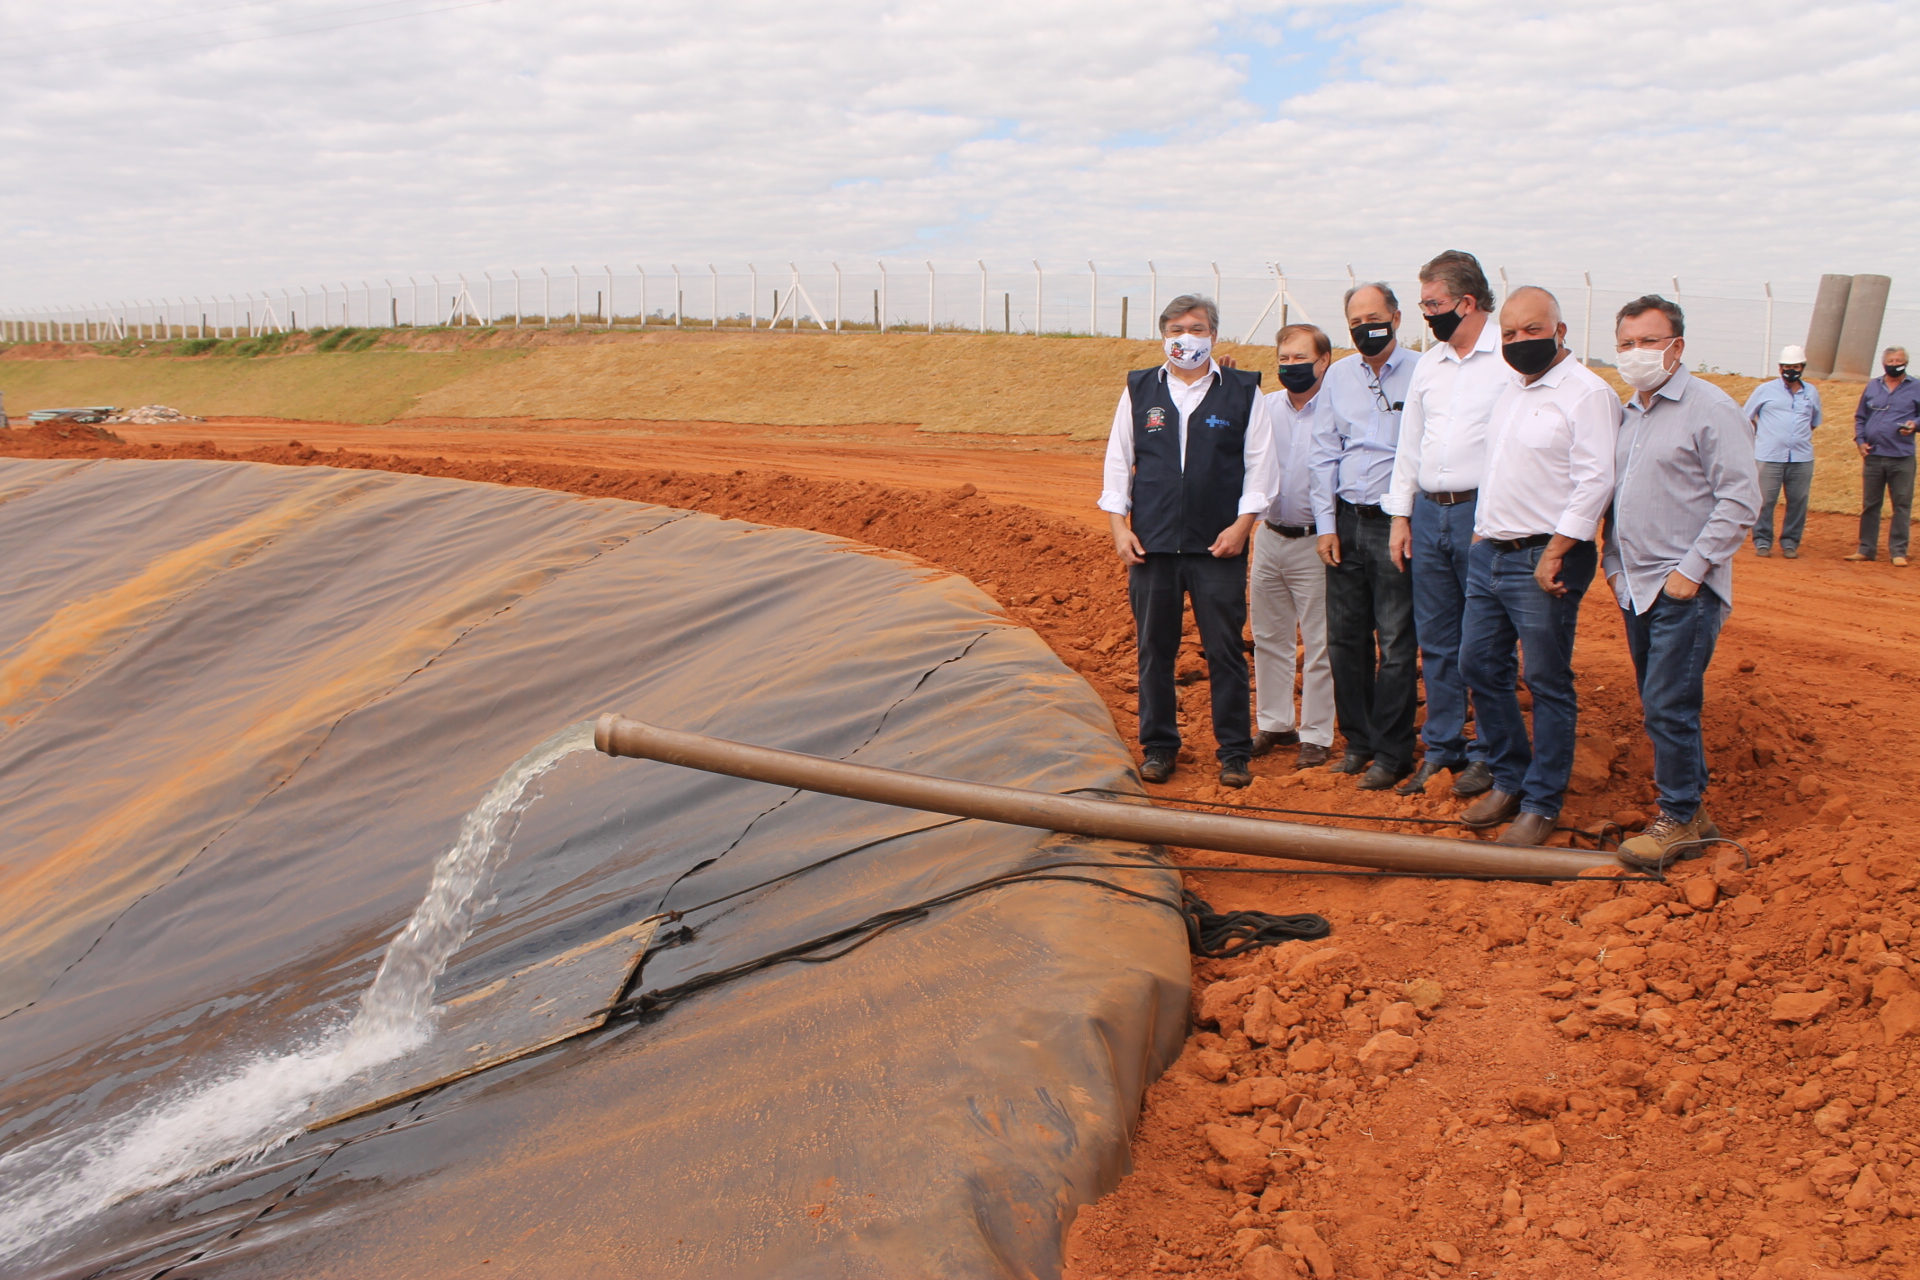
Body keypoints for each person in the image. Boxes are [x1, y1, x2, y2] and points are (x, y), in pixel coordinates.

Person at [1456, 287, 1619, 845]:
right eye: (1509, 333)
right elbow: (1502, 465)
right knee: (1478, 666)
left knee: (1546, 679)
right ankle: (1509, 777)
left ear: (1560, 330)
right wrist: (1483, 527)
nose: (1519, 341)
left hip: (1547, 557)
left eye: (1532, 330)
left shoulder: (1586, 394)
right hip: (1493, 553)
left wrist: (1555, 550)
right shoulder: (1512, 389)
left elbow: (1596, 479)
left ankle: (1542, 802)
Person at [1603, 295, 1760, 869]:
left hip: (1681, 588)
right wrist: (1614, 566)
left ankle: (1678, 817)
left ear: (1677, 346)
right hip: (1635, 585)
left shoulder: (1710, 408)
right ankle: (1691, 810)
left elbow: (1741, 499)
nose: (1636, 353)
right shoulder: (1628, 413)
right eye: (1626, 343)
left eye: (1648, 341)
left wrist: (1690, 573)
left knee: (1669, 705)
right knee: (1659, 701)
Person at [1100, 294, 1274, 788]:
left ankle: (1234, 751)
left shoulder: (1242, 390)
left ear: (1213, 336)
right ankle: (1158, 746)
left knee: (1225, 649)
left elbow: (1261, 465)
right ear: (1163, 337)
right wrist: (1119, 525)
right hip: (1150, 544)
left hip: (1218, 544)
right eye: (1175, 329)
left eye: (1196, 328)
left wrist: (1243, 525)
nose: (1185, 338)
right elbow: (1118, 461)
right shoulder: (1139, 390)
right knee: (1155, 648)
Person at [1385, 249, 1511, 798]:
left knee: (1484, 644)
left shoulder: (1508, 359)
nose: (1427, 316)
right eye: (1422, 305)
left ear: (1466, 302)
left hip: (1483, 516)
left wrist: (1496, 518)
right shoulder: (1430, 364)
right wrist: (1401, 516)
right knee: (1435, 640)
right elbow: (1409, 443)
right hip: (1431, 513)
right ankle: (1442, 751)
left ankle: (1489, 752)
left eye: (1433, 304)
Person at [1309, 283, 1418, 790]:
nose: (1364, 328)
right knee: (1345, 640)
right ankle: (1358, 742)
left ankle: (1392, 751)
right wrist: (1327, 525)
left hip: (1396, 522)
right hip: (1346, 520)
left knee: (1396, 641)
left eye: (1374, 317)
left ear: (1396, 318)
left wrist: (1405, 518)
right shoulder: (1338, 376)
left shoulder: (1424, 372)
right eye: (1355, 321)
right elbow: (1324, 451)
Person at [1250, 323, 1336, 769]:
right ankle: (1275, 723)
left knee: (1320, 642)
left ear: (1324, 360)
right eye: (1284, 359)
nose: (1291, 367)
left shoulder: (1338, 409)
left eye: (1301, 358)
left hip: (1316, 541)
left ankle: (1317, 734)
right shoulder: (1264, 408)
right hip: (1269, 536)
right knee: (1269, 636)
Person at [1742, 345, 1821, 559]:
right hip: (1769, 455)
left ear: (1802, 367)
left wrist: (1794, 437)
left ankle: (1790, 542)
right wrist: (1763, 437)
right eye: (1787, 367)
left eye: (1795, 367)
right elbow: (1746, 417)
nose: (1790, 370)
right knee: (1765, 500)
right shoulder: (1765, 390)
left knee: (1798, 501)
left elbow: (1814, 422)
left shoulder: (1811, 392)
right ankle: (1762, 541)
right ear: (1780, 368)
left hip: (1801, 457)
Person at [1847, 345, 1919, 566]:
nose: (1895, 365)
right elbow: (1860, 417)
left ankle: (1898, 551)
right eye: (1891, 361)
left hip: (1902, 456)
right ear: (1883, 363)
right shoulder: (1872, 386)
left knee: (1901, 505)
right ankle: (1866, 548)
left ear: (1905, 362)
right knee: (1871, 504)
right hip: (1874, 456)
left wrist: (1914, 425)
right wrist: (1860, 441)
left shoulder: (1916, 387)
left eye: (1899, 361)